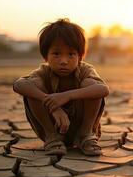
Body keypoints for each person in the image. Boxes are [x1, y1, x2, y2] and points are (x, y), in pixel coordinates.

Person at [13, 18, 109, 156]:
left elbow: (104, 89)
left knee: (91, 85)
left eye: (71, 54)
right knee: (33, 86)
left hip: (81, 128)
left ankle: (85, 135)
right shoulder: (44, 72)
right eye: (56, 54)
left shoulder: (85, 70)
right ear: (45, 56)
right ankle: (52, 138)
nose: (63, 61)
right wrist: (53, 105)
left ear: (80, 57)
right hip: (53, 129)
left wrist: (66, 95)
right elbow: (18, 84)